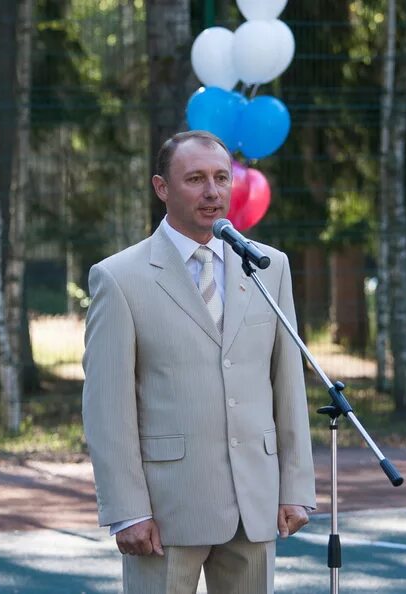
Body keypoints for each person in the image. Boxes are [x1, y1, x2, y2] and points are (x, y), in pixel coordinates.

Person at [82, 130, 316, 594]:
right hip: (166, 511)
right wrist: (128, 509)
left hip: (255, 502)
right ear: (161, 188)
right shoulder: (119, 277)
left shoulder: (269, 267)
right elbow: (107, 408)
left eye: (221, 178)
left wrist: (295, 488)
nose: (212, 192)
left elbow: (288, 385)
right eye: (195, 179)